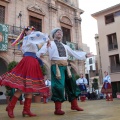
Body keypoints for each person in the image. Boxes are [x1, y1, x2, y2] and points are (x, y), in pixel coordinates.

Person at [36, 27, 92, 115]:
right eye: (57, 32)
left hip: (66, 67)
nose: (60, 32)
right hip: (56, 67)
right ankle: (57, 108)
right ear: (53, 34)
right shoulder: (49, 43)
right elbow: (40, 52)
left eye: (61, 32)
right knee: (59, 86)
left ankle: (74, 104)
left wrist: (85, 55)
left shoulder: (65, 46)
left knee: (72, 84)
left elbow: (74, 53)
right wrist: (39, 55)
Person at [0, 26, 49, 118]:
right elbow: (41, 38)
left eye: (32, 30)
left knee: (30, 88)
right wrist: (46, 39)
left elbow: (38, 51)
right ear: (25, 32)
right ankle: (11, 107)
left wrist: (45, 44)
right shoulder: (27, 39)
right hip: (28, 62)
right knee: (21, 88)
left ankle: (26, 110)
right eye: (29, 30)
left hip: (33, 62)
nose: (32, 32)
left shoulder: (33, 40)